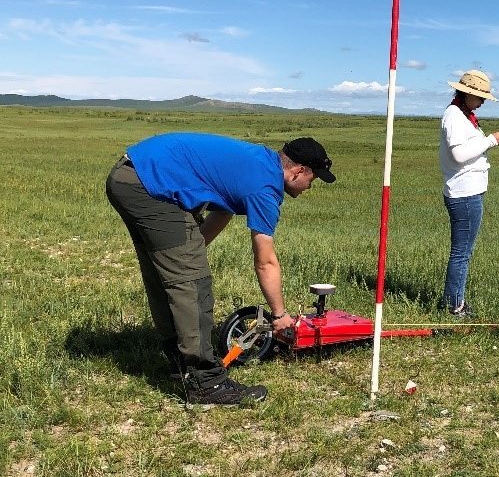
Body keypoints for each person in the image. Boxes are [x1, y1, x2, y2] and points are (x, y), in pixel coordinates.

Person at [105, 133, 336, 404]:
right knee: (193, 286)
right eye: (314, 179)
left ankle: (181, 363)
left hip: (131, 176)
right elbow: (265, 261)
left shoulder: (259, 162)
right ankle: (206, 382)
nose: (310, 186)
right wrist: (280, 315)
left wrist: (188, 255)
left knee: (169, 275)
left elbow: (221, 210)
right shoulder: (265, 187)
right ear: (299, 171)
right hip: (150, 184)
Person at [438, 70, 499, 318]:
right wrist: (490, 140)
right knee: (461, 253)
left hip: (468, 191)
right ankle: (454, 306)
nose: (482, 102)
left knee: (462, 252)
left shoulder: (462, 115)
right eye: (480, 97)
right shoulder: (455, 117)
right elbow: (459, 155)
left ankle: (454, 301)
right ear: (467, 94)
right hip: (464, 194)